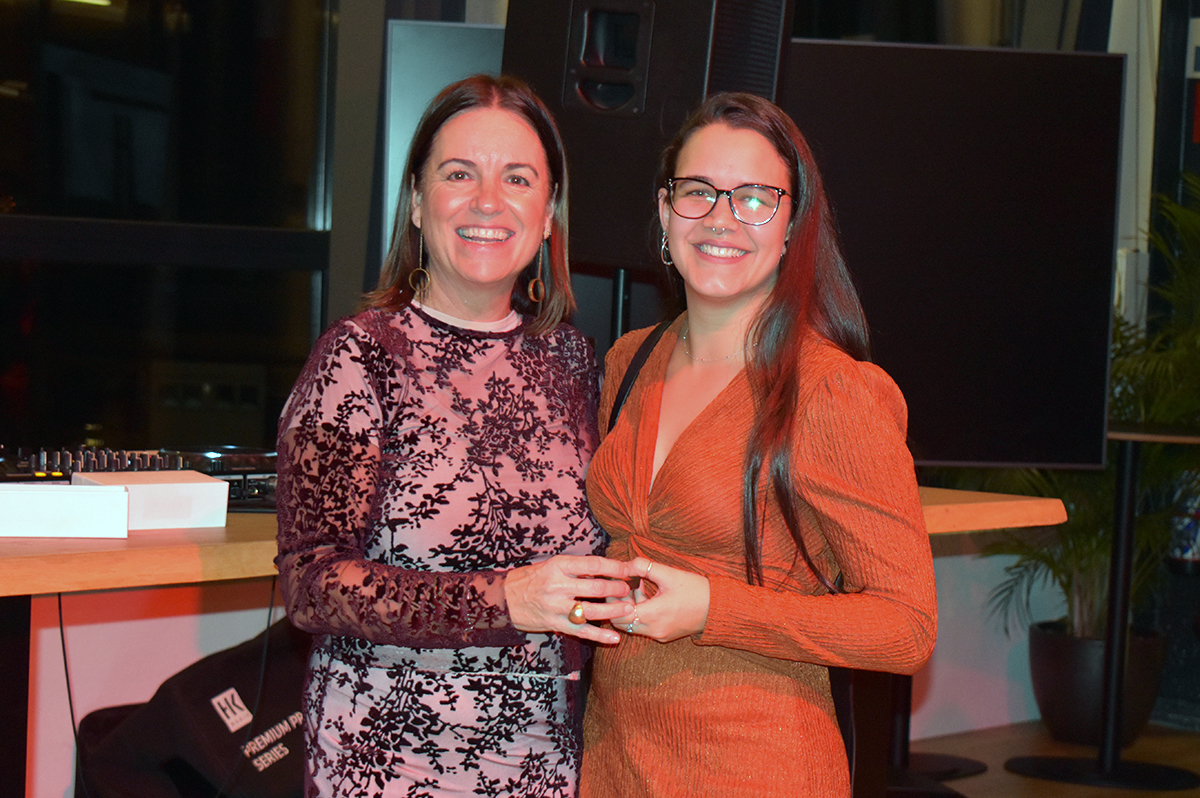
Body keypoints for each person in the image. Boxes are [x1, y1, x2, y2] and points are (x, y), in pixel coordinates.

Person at [275, 74, 636, 798]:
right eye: (459, 174)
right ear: (417, 201)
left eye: (518, 179)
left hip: (545, 765)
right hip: (386, 763)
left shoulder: (573, 362)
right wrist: (506, 600)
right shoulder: (359, 358)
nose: (488, 201)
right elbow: (310, 585)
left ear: (548, 215)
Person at [580, 92, 938, 797]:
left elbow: (907, 629)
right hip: (615, 763)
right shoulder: (629, 361)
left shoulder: (833, 392)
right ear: (665, 211)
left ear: (792, 227)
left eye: (754, 198)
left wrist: (716, 610)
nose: (721, 217)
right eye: (698, 191)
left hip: (759, 769)